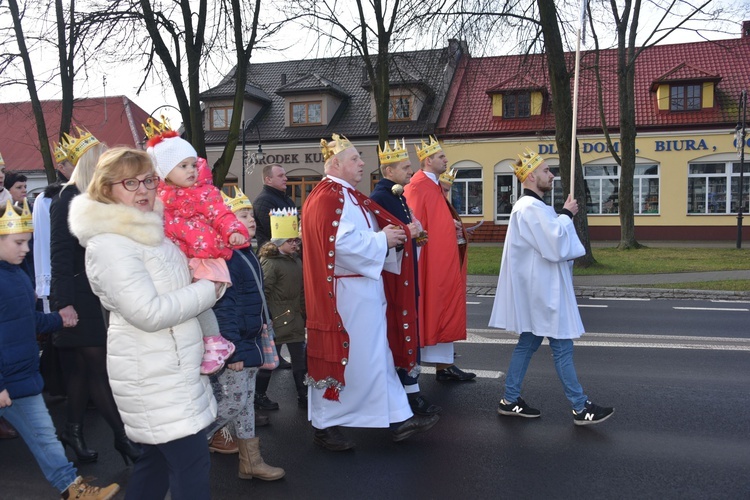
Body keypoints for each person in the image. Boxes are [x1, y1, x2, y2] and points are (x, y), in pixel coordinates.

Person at [69, 147, 221, 499]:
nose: (143, 190)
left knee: (154, 465)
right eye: (130, 182)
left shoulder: (149, 229)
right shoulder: (110, 243)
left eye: (149, 180)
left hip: (171, 368)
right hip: (152, 372)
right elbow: (147, 312)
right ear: (107, 189)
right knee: (190, 466)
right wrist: (207, 290)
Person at [302, 133, 438, 451]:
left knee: (377, 356)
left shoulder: (349, 195)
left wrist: (397, 236)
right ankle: (325, 425)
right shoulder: (328, 197)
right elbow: (338, 245)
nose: (362, 163)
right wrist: (383, 241)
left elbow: (364, 236)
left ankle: (398, 416)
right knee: (347, 358)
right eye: (355, 159)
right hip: (346, 296)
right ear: (335, 164)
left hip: (363, 291)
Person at [0, 199, 120, 500]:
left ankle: (74, 490)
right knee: (44, 437)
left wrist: (58, 320)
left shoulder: (17, 274)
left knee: (45, 438)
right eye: (19, 243)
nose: (26, 249)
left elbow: (25, 320)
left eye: (28, 243)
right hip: (7, 381)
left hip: (21, 379)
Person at [489, 149, 614, 425]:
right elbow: (555, 245)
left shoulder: (534, 208)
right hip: (544, 293)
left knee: (529, 342)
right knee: (561, 346)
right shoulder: (529, 208)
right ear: (531, 176)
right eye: (547, 171)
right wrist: (567, 215)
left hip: (539, 289)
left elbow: (550, 240)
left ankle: (510, 400)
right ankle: (581, 408)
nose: (552, 175)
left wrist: (561, 216)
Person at [50, 129, 140, 464]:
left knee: (82, 373)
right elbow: (59, 255)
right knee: (98, 367)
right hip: (78, 298)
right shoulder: (67, 199)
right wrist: (64, 303)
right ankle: (122, 438)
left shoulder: (95, 199)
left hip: (97, 294)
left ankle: (72, 430)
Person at [144, 117, 249, 375]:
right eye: (183, 166)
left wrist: (234, 230)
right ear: (164, 172)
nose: (191, 170)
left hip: (208, 257)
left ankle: (216, 341)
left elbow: (221, 214)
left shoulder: (204, 192)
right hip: (184, 257)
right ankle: (209, 341)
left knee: (202, 301)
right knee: (190, 301)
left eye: (193, 164)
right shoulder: (160, 198)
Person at [207, 187, 285, 480]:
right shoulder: (226, 257)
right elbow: (223, 307)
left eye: (251, 213)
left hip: (251, 337)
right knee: (234, 402)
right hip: (237, 343)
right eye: (242, 214)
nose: (251, 219)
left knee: (245, 403)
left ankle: (250, 461)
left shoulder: (246, 253)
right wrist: (236, 350)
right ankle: (188, 445)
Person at [369, 138, 439, 417]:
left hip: (406, 274)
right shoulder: (380, 198)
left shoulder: (397, 195)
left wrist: (416, 235)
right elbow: (382, 239)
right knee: (400, 331)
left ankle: (408, 388)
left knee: (407, 330)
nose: (411, 171)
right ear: (389, 172)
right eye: (406, 166)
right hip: (395, 278)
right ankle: (408, 392)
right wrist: (405, 236)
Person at [403, 136, 475, 382]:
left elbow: (435, 220)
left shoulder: (433, 185)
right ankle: (418, 372)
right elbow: (413, 225)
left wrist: (452, 227)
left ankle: (445, 366)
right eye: (442, 157)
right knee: (432, 310)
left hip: (442, 260)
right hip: (429, 264)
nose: (446, 160)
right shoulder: (416, 186)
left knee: (444, 308)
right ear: (428, 160)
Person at [33, 141, 76, 404]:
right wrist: (46, 280)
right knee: (60, 331)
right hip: (56, 271)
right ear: (61, 167)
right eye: (74, 162)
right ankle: (58, 383)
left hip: (74, 273)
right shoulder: (47, 198)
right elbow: (45, 241)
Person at [258, 209, 307, 407]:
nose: (295, 244)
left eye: (296, 240)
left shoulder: (295, 260)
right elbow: (264, 292)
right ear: (279, 243)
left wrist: (305, 313)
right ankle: (259, 397)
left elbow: (301, 290)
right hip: (276, 321)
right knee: (269, 363)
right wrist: (267, 319)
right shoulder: (270, 263)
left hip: (294, 319)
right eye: (290, 241)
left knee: (300, 362)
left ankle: (303, 394)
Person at [253, 163, 296, 250]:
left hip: (288, 254)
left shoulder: (286, 200)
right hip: (273, 255)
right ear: (268, 180)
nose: (285, 178)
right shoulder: (263, 201)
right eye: (281, 176)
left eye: (285, 175)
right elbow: (274, 232)